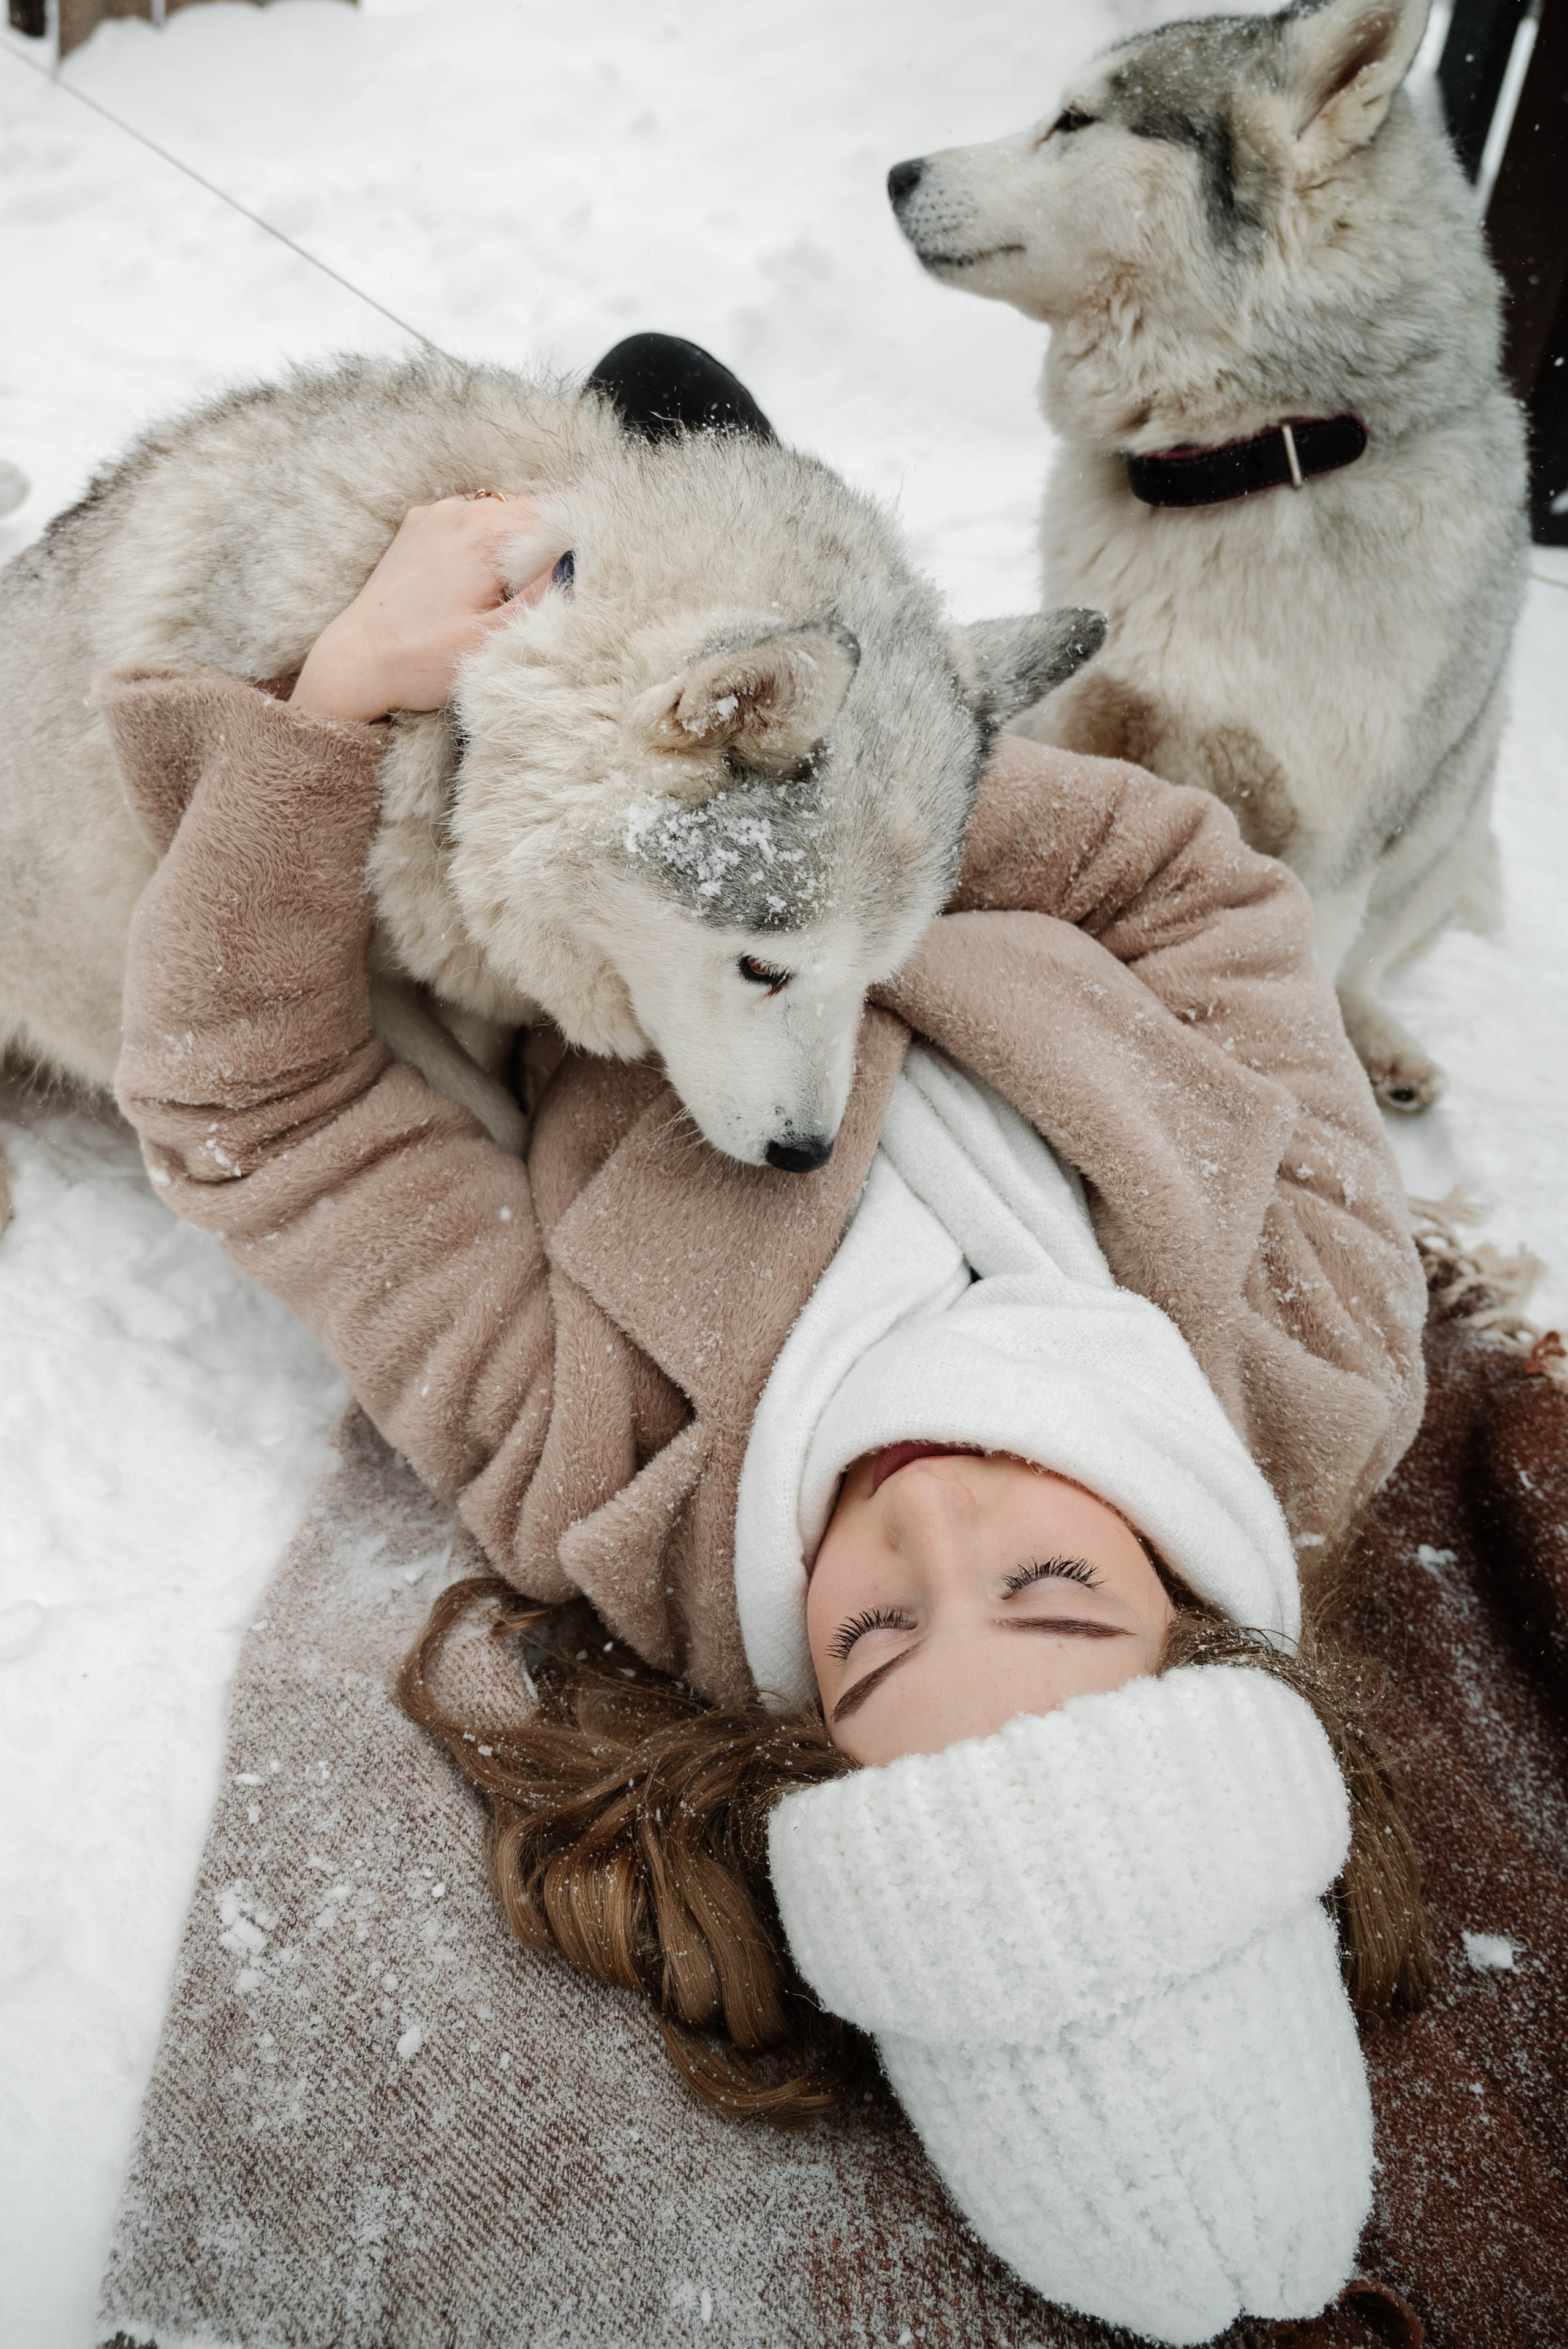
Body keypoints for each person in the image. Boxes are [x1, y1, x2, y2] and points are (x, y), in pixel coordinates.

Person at [104, 342, 1430, 2343]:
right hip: (821, 777)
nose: (922, 1527)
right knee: (673, 412)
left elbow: (264, 1115)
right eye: (1051, 1590)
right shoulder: (1320, 1344)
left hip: (578, 891)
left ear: (799, 1737)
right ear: (1196, 1620)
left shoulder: (620, 1478)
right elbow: (1190, 892)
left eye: (874, 1641)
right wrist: (886, 798)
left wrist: (337, 707)